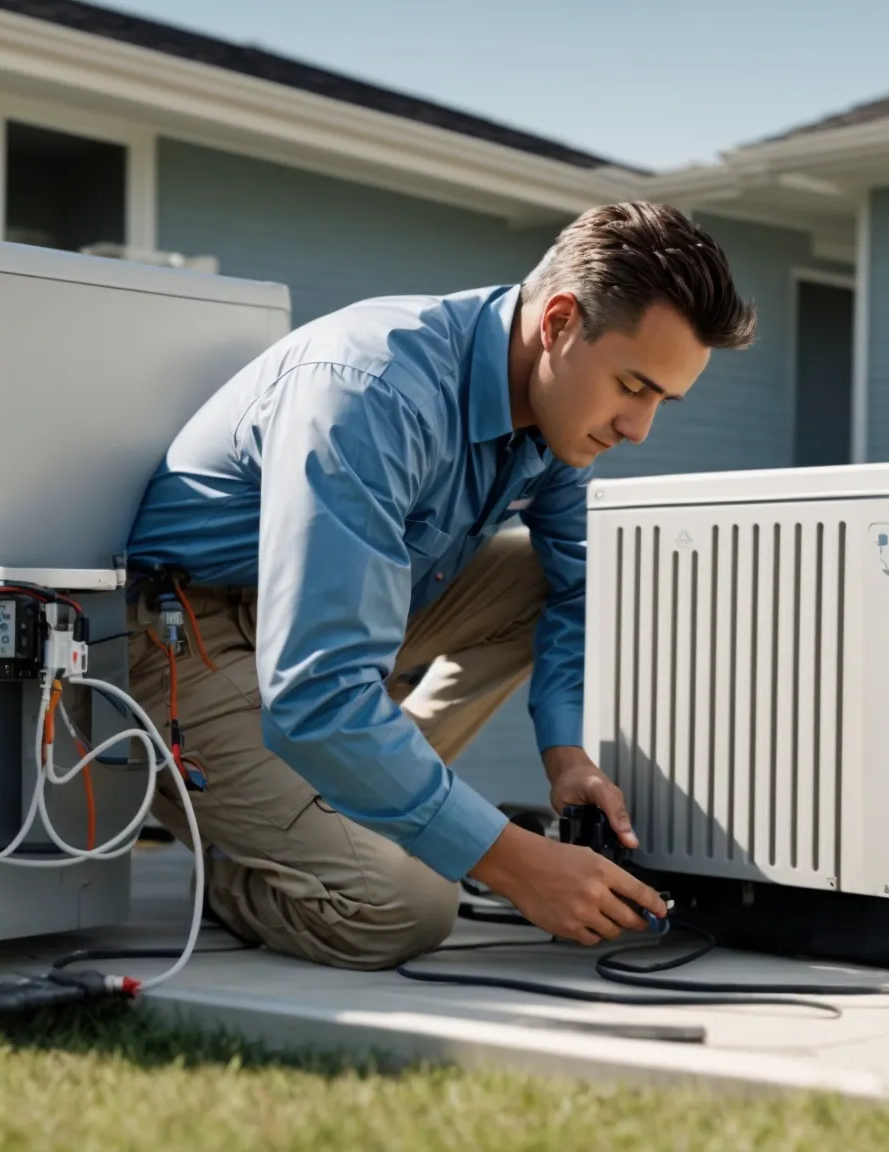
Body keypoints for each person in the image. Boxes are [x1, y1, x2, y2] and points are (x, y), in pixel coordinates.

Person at [122, 201, 757, 970]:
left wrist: (566, 754)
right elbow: (315, 691)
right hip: (189, 643)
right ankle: (250, 862)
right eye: (632, 385)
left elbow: (582, 589)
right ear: (558, 323)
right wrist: (512, 860)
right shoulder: (371, 392)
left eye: (662, 399)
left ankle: (353, 808)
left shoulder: (557, 423)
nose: (638, 427)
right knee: (403, 907)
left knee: (544, 573)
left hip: (326, 628)